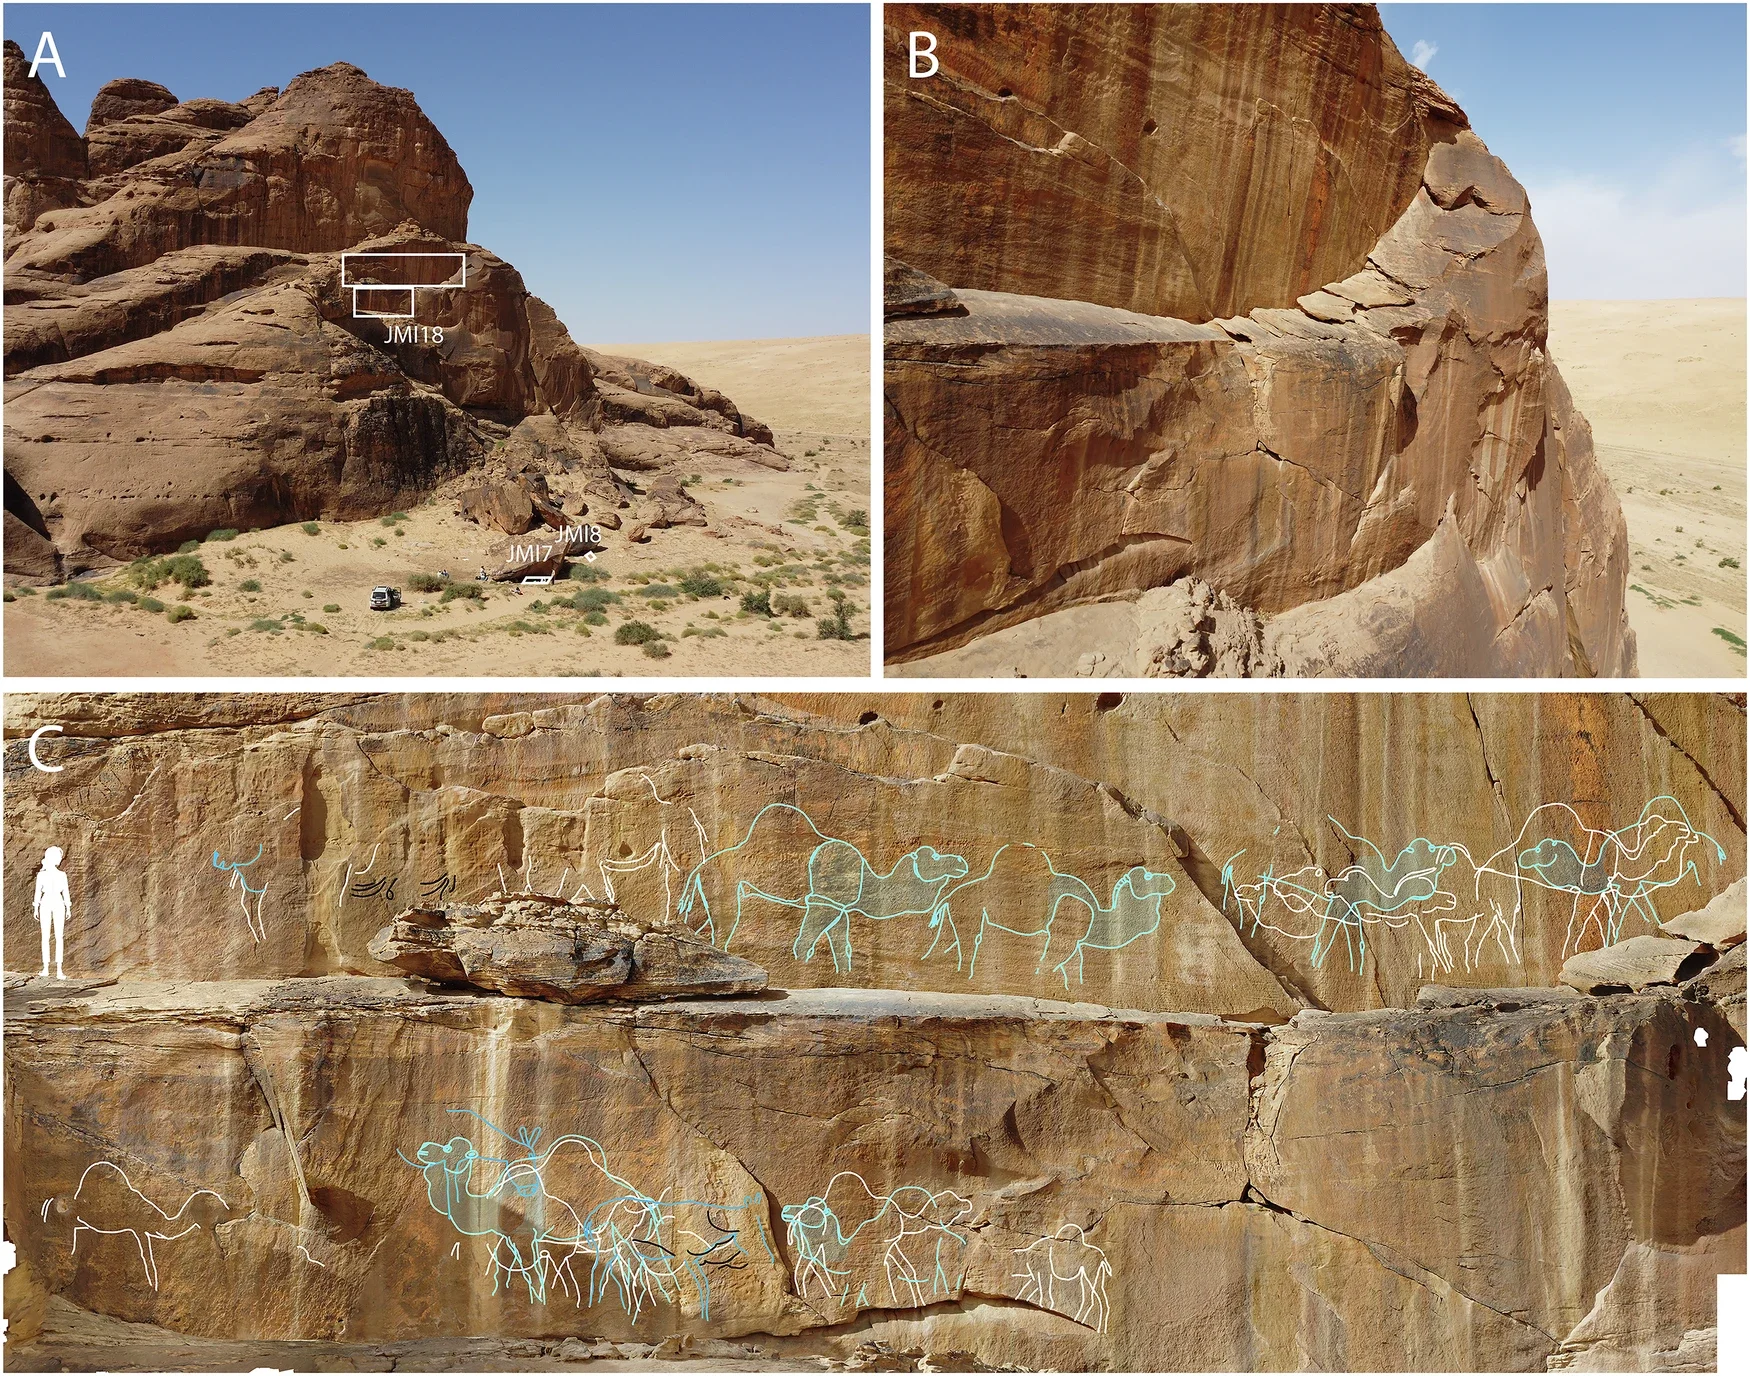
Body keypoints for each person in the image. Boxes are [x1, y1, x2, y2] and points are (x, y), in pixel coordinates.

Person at [34, 845, 70, 979]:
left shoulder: (62, 875)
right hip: (46, 902)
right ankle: (46, 968)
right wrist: (36, 906)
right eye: (59, 856)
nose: (60, 859)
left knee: (59, 936)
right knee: (46, 936)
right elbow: (38, 892)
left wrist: (68, 906)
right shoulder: (41, 875)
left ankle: (59, 969)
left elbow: (65, 891)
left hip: (58, 902)